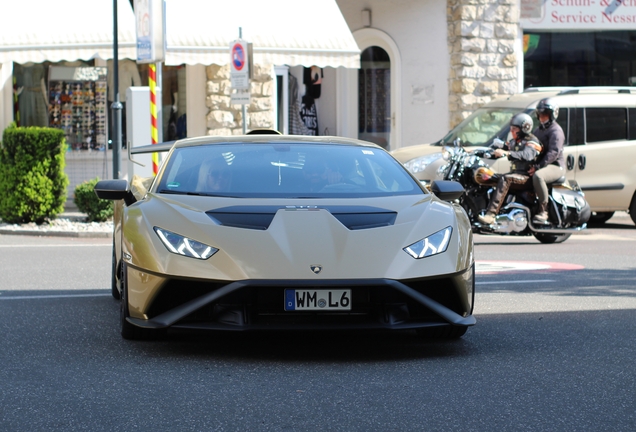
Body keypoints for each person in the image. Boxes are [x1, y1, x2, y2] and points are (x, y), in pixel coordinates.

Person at [478, 113, 543, 225]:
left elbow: (527, 155)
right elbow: (500, 150)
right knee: (488, 177)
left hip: (526, 177)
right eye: (511, 129)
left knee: (505, 179)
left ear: (525, 128)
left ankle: (491, 215)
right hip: (516, 175)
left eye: (514, 129)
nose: (511, 131)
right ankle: (483, 210)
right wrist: (476, 152)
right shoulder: (514, 142)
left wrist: (506, 153)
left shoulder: (532, 141)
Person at [530, 98, 565, 224]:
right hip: (542, 164)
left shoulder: (556, 131)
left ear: (552, 114)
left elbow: (553, 153)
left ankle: (543, 211)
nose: (541, 117)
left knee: (538, 177)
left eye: (545, 114)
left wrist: (538, 166)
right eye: (540, 114)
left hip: (555, 165)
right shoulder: (538, 130)